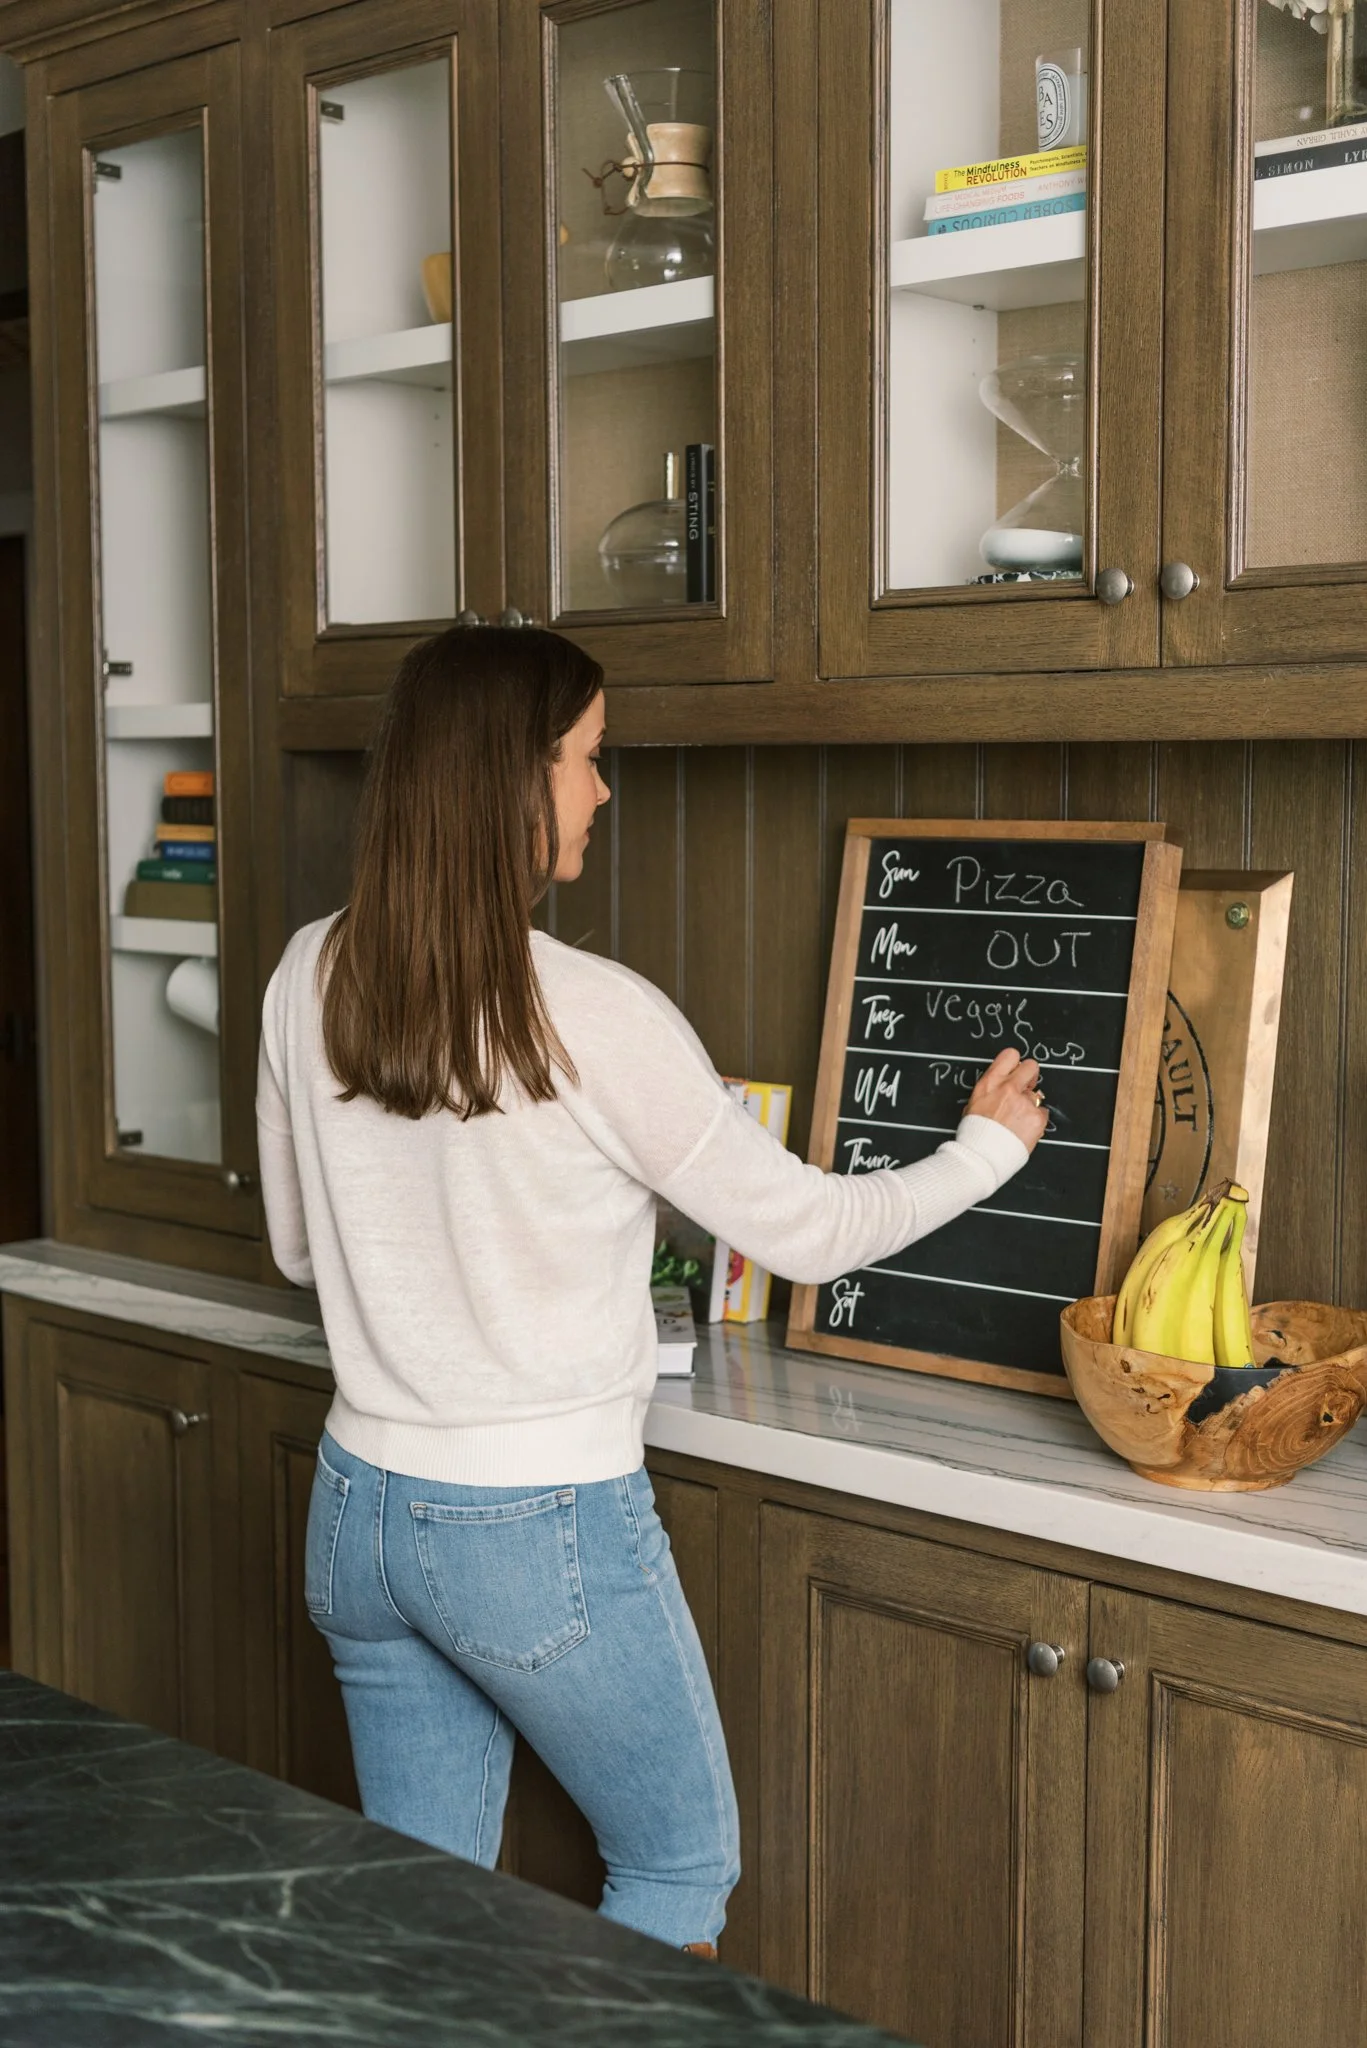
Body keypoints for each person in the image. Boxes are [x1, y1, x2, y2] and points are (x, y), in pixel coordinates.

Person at [255, 625, 1046, 1959]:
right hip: (530, 1523)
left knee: (423, 1913)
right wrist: (986, 1151)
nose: (603, 790)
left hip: (356, 1515)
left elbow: (296, 1251)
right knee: (678, 1868)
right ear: (512, 783)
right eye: (586, 758)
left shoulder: (304, 972)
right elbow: (809, 1233)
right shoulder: (591, 1012)